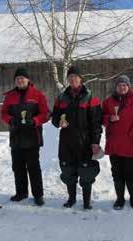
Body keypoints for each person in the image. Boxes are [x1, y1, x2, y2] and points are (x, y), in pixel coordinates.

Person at [51, 66, 102, 210]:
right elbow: (54, 118)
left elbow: (96, 123)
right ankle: (71, 198)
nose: (73, 79)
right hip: (66, 141)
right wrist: (58, 122)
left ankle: (86, 201)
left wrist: (95, 142)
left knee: (86, 172)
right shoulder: (61, 97)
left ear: (81, 79)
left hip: (84, 141)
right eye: (70, 77)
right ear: (67, 79)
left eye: (75, 76)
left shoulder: (91, 97)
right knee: (68, 170)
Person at [0, 67, 49, 206]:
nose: (20, 80)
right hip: (16, 137)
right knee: (18, 167)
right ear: (15, 81)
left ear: (28, 79)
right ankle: (21, 193)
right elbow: (3, 113)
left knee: (33, 167)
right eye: (17, 78)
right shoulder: (10, 96)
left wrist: (34, 121)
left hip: (32, 137)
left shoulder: (38, 95)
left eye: (22, 78)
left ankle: (38, 195)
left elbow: (45, 113)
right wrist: (10, 120)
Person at [102, 75, 133, 210]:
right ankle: (120, 198)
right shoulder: (108, 101)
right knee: (117, 172)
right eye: (120, 85)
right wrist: (109, 119)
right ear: (116, 87)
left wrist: (132, 135)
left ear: (129, 87)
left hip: (130, 144)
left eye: (125, 85)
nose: (122, 87)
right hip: (114, 144)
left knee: (130, 172)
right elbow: (101, 117)